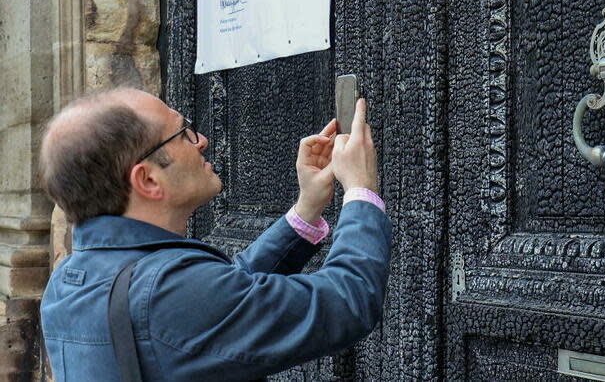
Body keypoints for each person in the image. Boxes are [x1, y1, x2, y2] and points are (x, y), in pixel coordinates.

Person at [39, 88, 391, 381]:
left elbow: (225, 294)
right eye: (183, 133)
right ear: (147, 180)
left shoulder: (68, 282)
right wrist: (360, 188)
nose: (202, 140)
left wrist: (305, 212)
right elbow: (347, 301)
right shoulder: (167, 292)